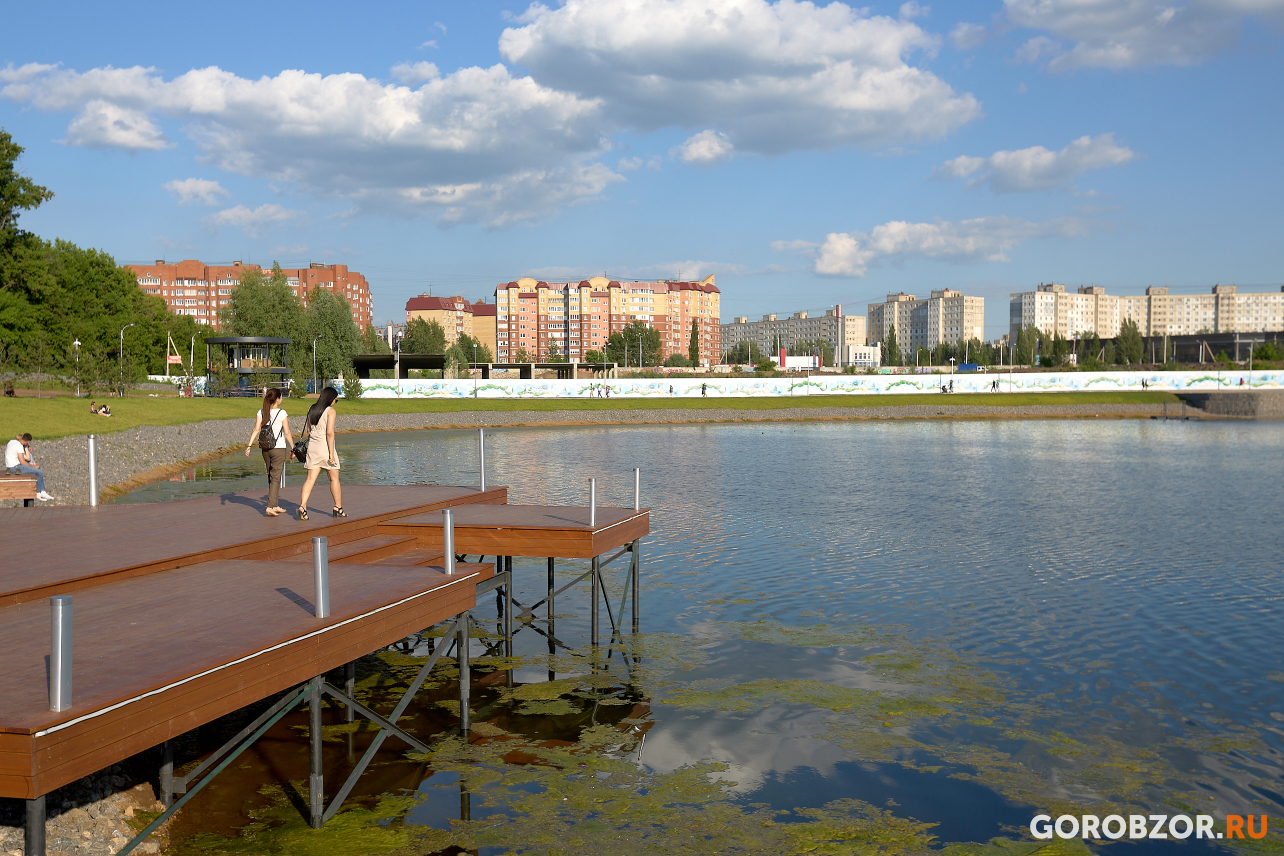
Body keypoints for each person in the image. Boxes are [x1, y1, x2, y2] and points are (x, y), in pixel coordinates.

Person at [244, 388, 293, 516]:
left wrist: (249, 445)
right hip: (278, 448)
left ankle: (275, 504)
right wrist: (293, 447)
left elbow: (256, 429)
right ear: (277, 399)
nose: (281, 399)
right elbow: (287, 432)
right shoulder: (282, 413)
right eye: (281, 397)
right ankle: (270, 507)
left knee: (271, 476)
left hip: (265, 448)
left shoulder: (261, 412)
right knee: (275, 477)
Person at [298, 386, 343, 520]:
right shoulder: (331, 411)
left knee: (310, 479)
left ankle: (303, 506)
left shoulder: (311, 409)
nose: (335, 402)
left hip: (313, 447)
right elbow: (329, 433)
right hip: (325, 447)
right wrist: (331, 455)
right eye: (336, 399)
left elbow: (308, 431)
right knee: (334, 478)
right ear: (331, 399)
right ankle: (338, 507)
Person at [5, 433, 54, 501]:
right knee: (39, 472)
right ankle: (38, 492)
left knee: (36, 470)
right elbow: (22, 462)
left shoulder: (11, 441)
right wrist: (33, 466)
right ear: (28, 441)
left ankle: (42, 492)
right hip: (15, 468)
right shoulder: (19, 446)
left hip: (10, 467)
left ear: (22, 437)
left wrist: (27, 446)